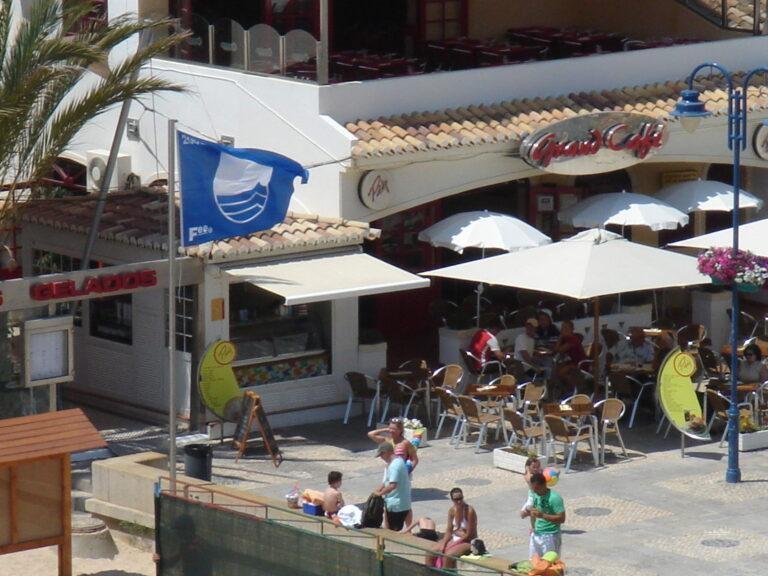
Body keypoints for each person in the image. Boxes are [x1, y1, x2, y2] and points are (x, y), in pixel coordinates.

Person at [427, 487, 478, 570]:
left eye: (461, 498)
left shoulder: (469, 511)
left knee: (448, 556)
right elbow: (449, 530)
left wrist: (453, 543)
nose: (459, 501)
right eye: (456, 499)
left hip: (469, 541)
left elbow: (469, 534)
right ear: (452, 500)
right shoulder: (452, 511)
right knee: (430, 552)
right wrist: (443, 543)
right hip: (456, 538)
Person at [521, 472, 565, 558]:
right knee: (533, 562)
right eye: (533, 489)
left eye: (537, 488)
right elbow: (529, 513)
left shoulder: (554, 498)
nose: (535, 491)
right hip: (537, 533)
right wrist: (527, 513)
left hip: (550, 535)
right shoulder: (535, 495)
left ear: (544, 484)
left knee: (550, 565)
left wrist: (543, 515)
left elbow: (562, 518)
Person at [374, 442, 412, 531]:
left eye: (381, 455)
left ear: (387, 452)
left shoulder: (394, 466)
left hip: (396, 505)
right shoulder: (398, 461)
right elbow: (387, 481)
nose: (381, 457)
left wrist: (379, 494)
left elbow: (392, 485)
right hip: (399, 502)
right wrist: (380, 488)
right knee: (389, 527)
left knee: (393, 530)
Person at [520, 456, 542, 533]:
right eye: (534, 467)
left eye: (538, 466)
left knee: (530, 510)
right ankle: (535, 512)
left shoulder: (539, 475)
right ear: (528, 467)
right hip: (531, 496)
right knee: (522, 515)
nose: (536, 468)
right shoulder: (528, 475)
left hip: (537, 497)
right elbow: (529, 480)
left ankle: (534, 527)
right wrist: (528, 471)